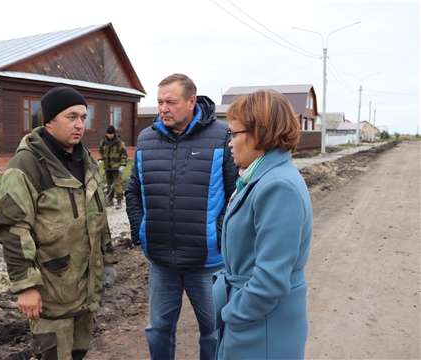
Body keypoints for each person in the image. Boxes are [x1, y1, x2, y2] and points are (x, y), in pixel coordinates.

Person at [0, 87, 118, 360]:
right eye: (71, 116)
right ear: (48, 120)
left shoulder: (85, 161)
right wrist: (26, 286)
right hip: (50, 292)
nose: (79, 124)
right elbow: (12, 229)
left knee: (78, 353)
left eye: (83, 117)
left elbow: (98, 215)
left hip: (85, 287)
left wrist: (107, 258)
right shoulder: (26, 166)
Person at [125, 73, 238, 360]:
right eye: (160, 102)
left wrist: (219, 237)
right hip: (162, 261)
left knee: (214, 331)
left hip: (208, 263)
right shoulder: (146, 139)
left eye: (170, 102)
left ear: (191, 101)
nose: (163, 108)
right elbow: (133, 191)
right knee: (158, 329)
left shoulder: (222, 135)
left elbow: (235, 195)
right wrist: (142, 230)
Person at [212, 89, 313, 359]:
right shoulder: (261, 177)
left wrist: (234, 314)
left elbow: (270, 279)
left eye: (233, 134)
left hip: (262, 330)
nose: (229, 143)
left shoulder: (278, 186)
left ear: (259, 133)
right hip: (256, 324)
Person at [97, 125, 127, 210]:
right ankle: (110, 200)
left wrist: (123, 165)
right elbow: (101, 151)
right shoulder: (104, 142)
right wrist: (100, 159)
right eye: (108, 134)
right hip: (108, 167)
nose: (109, 135)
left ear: (114, 134)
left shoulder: (119, 142)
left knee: (118, 184)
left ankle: (119, 201)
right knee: (109, 184)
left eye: (111, 134)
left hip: (117, 167)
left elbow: (124, 154)